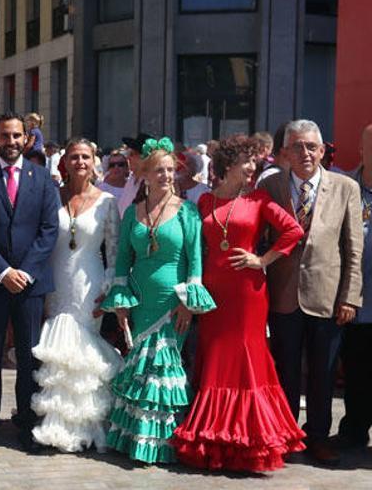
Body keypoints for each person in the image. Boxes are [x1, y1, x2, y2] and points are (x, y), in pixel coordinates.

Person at [171, 134, 306, 471]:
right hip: (212, 294)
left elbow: (293, 231)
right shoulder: (203, 202)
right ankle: (214, 435)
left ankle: (251, 440)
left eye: (254, 164)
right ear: (228, 165)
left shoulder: (259, 199)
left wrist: (262, 260)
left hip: (247, 294)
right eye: (248, 162)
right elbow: (194, 250)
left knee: (247, 358)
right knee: (215, 355)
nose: (252, 168)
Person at [101, 137, 215, 464]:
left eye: (170, 170)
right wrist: (121, 303)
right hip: (140, 301)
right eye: (159, 170)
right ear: (145, 175)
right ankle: (137, 442)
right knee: (140, 369)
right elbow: (122, 262)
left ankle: (164, 445)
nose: (166, 176)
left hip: (172, 304)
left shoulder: (188, 212)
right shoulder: (132, 214)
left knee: (164, 371)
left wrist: (187, 304)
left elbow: (195, 262)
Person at [259, 119, 363, 466]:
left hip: (328, 297)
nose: (304, 153)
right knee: (285, 371)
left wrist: (350, 296)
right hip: (282, 295)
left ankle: (318, 437)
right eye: (297, 146)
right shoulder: (271, 186)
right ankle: (288, 435)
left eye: (311, 147)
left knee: (323, 372)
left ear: (322, 151)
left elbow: (353, 249)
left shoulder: (346, 187)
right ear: (285, 152)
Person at [0, 112, 60, 454]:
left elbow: (49, 230)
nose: (12, 141)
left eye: (18, 136)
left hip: (30, 286)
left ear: (27, 139)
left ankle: (27, 423)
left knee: (28, 358)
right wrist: (4, 272)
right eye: (6, 135)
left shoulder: (43, 179)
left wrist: (26, 272)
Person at [30, 138, 123, 453]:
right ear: (64, 162)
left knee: (82, 353)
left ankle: (85, 427)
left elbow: (115, 252)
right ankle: (56, 427)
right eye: (73, 157)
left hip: (89, 284)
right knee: (57, 354)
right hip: (55, 282)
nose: (79, 162)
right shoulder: (51, 196)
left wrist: (108, 288)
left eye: (85, 157)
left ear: (94, 160)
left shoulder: (108, 202)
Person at [339, 123, 372, 451]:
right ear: (362, 148)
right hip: (355, 300)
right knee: (356, 369)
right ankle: (354, 430)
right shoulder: (346, 186)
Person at [117, 133, 155, 216]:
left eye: (132, 154)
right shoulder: (132, 178)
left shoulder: (150, 183)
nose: (128, 158)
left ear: (144, 158)